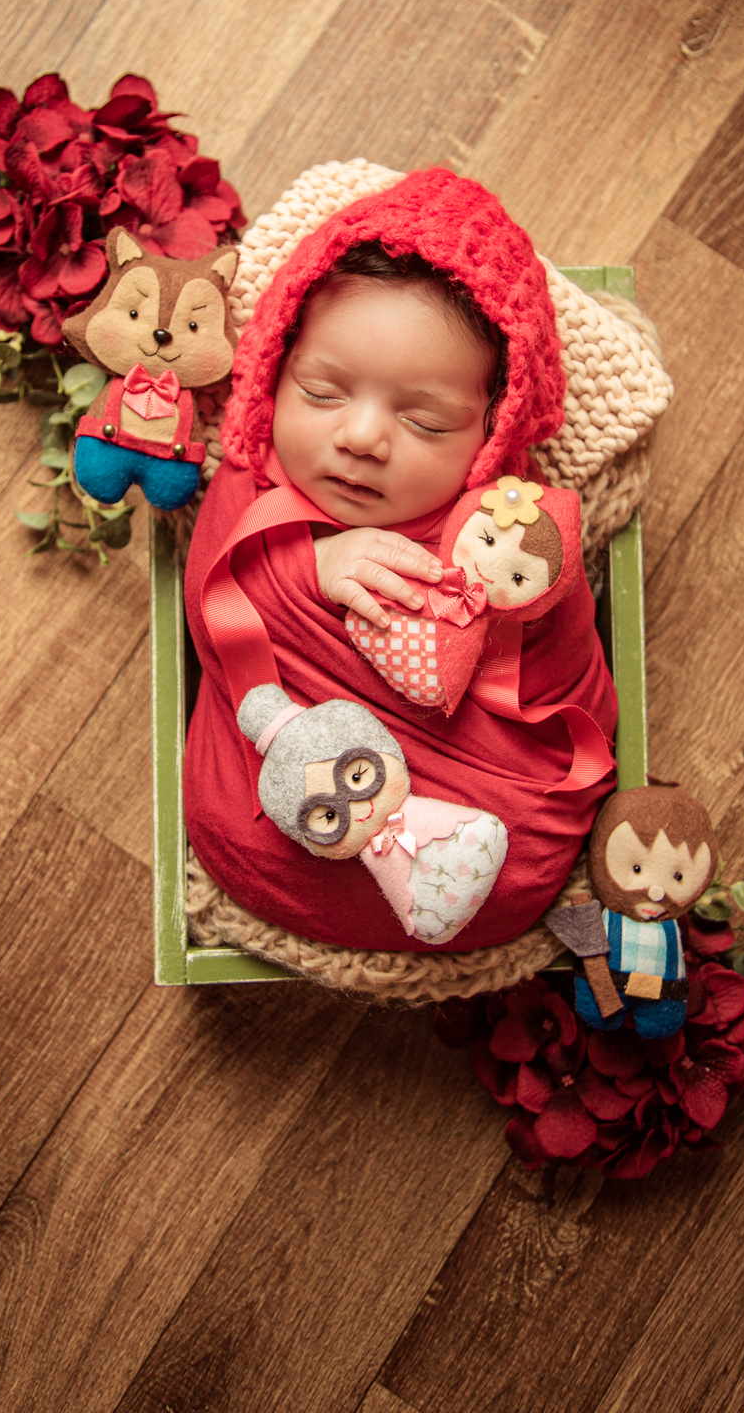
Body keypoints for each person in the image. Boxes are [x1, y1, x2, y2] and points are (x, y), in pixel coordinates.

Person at [182, 167, 618, 951]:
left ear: (493, 433)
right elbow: (211, 610)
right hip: (269, 834)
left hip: (489, 842)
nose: (361, 437)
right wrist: (303, 571)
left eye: (424, 422)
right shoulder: (254, 487)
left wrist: (521, 609)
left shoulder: (504, 531)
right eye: (323, 393)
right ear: (275, 370)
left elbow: (567, 688)